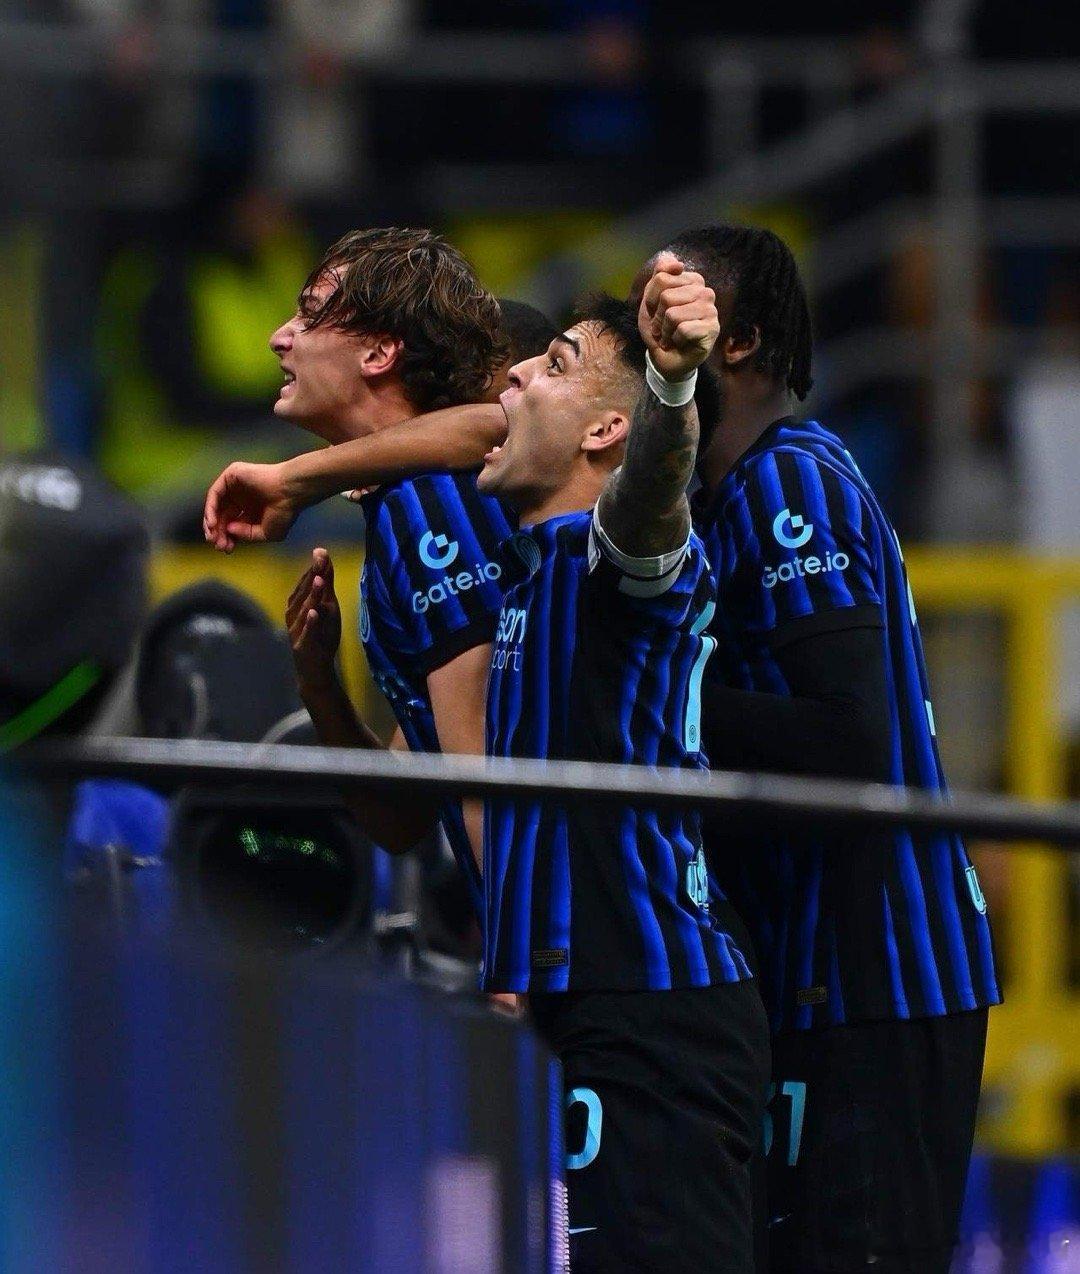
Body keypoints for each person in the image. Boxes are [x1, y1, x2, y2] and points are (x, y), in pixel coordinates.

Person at [648, 224, 1001, 1274]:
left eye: (672, 306)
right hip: (815, 974)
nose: (647, 331)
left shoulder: (792, 484)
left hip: (880, 976)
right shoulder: (715, 499)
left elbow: (851, 737)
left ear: (741, 341)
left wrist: (657, 695)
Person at [205, 227, 557, 919]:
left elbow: (483, 771)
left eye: (309, 315)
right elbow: (402, 818)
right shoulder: (405, 502)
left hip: (563, 944)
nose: (280, 337)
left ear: (378, 353)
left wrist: (522, 961)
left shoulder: (431, 505)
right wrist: (319, 683)